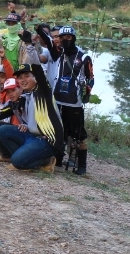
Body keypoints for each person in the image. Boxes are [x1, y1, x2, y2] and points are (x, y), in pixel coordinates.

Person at [0, 32, 64, 173]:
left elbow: (37, 68)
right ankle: (19, 156)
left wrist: (29, 45)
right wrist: (25, 125)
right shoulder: (27, 95)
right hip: (32, 136)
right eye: (20, 78)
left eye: (27, 76)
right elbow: (0, 114)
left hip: (47, 140)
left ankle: (46, 161)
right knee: (2, 129)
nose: (23, 80)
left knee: (18, 162)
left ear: (36, 78)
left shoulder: (43, 90)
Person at [36, 25, 94, 175]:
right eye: (62, 38)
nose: (64, 40)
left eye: (68, 38)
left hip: (74, 102)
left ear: (73, 38)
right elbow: (48, 42)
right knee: (57, 131)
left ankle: (82, 166)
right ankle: (58, 159)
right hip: (57, 101)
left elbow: (91, 78)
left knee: (78, 135)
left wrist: (86, 91)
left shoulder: (84, 56)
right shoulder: (57, 53)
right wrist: (38, 30)